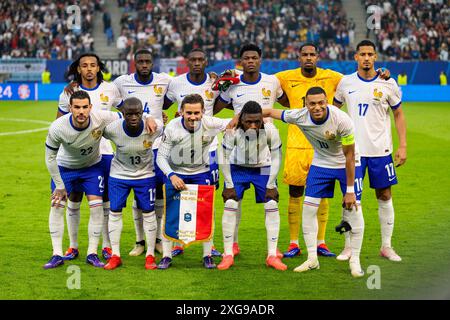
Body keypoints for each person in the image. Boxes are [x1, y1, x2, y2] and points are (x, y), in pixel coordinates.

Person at [275, 43, 391, 259]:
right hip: (296, 145)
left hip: (327, 147)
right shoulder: (284, 77)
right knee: (295, 193)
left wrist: (381, 73)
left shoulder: (333, 77)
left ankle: (321, 242)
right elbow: (260, 80)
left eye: (312, 54)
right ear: (298, 57)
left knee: (322, 194)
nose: (308, 58)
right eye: (304, 55)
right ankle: (293, 242)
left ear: (318, 57)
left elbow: (358, 78)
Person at [262, 87, 365, 278]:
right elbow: (268, 111)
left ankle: (355, 260)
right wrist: (238, 118)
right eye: (312, 103)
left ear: (327, 102)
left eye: (321, 102)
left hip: (348, 163)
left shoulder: (342, 120)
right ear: (305, 104)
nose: (317, 107)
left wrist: (350, 190)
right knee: (309, 210)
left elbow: (349, 155)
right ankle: (312, 260)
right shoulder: (299, 116)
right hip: (321, 163)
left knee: (354, 210)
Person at [334, 39, 407, 262]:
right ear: (355, 57)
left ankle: (386, 246)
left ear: (375, 57)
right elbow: (334, 111)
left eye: (370, 54)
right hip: (352, 152)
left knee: (384, 195)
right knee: (351, 198)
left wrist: (402, 145)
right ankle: (348, 247)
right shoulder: (345, 83)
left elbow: (398, 114)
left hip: (381, 150)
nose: (366, 58)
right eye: (362, 54)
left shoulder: (389, 83)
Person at [213, 43, 289, 257]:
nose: (250, 61)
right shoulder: (234, 85)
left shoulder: (271, 81)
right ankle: (233, 244)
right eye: (246, 58)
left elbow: (287, 101)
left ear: (260, 60)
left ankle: (273, 249)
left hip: (265, 150)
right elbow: (217, 107)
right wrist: (219, 88)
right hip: (238, 149)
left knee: (271, 200)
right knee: (232, 201)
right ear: (241, 61)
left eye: (254, 58)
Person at [43, 91, 123, 269]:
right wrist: (60, 185)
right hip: (65, 168)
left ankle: (92, 253)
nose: (81, 111)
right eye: (77, 107)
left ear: (90, 107)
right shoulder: (58, 127)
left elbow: (126, 114)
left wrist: (149, 119)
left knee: (96, 208)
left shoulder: (100, 117)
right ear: (70, 108)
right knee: (57, 206)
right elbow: (49, 158)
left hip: (92, 167)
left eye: (85, 107)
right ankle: (57, 254)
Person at [58, 53, 122, 263]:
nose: (88, 69)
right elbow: (59, 124)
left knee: (104, 200)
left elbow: (126, 111)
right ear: (78, 69)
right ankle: (73, 246)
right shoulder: (69, 92)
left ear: (98, 68)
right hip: (77, 155)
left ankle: (105, 245)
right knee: (74, 198)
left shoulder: (110, 88)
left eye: (92, 65)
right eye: (84, 65)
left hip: (104, 152)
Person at [156, 94, 231, 269]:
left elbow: (236, 121)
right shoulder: (172, 128)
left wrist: (263, 116)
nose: (193, 117)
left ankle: (207, 255)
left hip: (201, 172)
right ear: (181, 112)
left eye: (197, 112)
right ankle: (167, 256)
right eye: (188, 112)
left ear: (203, 112)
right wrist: (171, 175)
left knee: (205, 213)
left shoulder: (210, 123)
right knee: (170, 214)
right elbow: (161, 157)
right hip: (177, 173)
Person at [163, 48, 222, 257]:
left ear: (206, 62)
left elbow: (227, 98)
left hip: (209, 147)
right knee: (179, 200)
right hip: (182, 146)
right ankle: (179, 242)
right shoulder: (176, 82)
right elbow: (164, 103)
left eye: (201, 59)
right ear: (187, 62)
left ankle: (210, 244)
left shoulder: (215, 83)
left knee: (207, 199)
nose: (197, 63)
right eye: (193, 59)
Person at [114, 49, 172, 257]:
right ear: (134, 63)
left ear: (153, 63)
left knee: (157, 194)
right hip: (132, 145)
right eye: (141, 62)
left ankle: (156, 240)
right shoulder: (122, 82)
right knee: (138, 197)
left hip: (158, 146)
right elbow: (105, 96)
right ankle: (140, 242)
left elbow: (180, 92)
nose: (145, 65)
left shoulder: (164, 81)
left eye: (148, 61)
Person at [218, 101, 286, 271]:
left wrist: (271, 184)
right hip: (238, 167)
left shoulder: (271, 130)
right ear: (241, 120)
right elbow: (223, 157)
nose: (254, 126)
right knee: (231, 203)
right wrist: (228, 184)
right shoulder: (231, 132)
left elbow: (277, 157)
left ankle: (272, 254)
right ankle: (228, 253)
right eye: (249, 122)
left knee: (271, 202)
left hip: (263, 167)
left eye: (257, 121)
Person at [103, 98, 164, 270]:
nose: (134, 117)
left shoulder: (154, 127)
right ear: (123, 114)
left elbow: (166, 129)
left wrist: (152, 118)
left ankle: (150, 255)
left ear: (142, 113)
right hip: (119, 175)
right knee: (114, 212)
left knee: (149, 213)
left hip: (145, 175)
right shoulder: (112, 129)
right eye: (129, 114)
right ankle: (115, 256)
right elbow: (97, 130)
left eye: (137, 113)